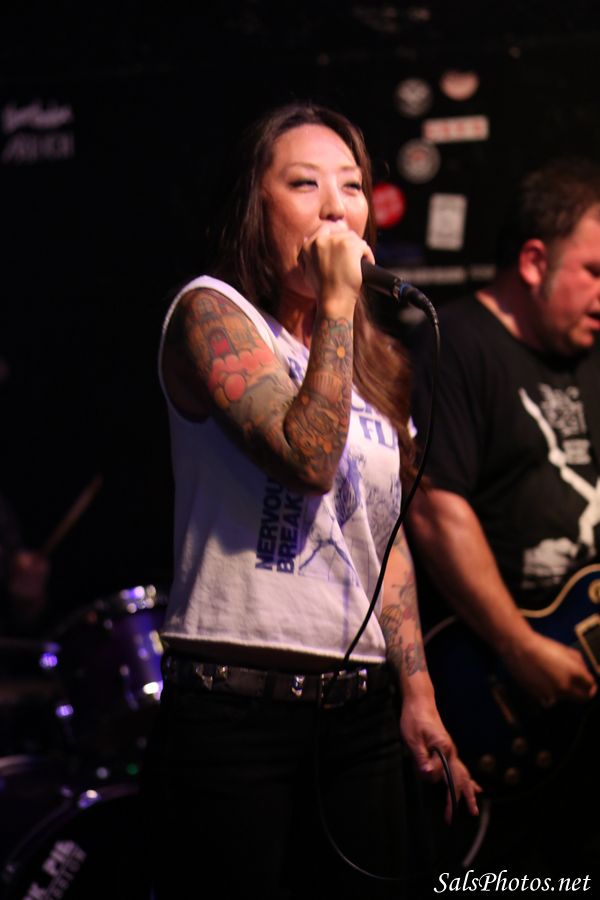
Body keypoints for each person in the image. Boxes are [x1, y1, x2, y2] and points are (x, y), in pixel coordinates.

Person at [141, 101, 479, 899]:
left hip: (359, 713)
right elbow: (307, 458)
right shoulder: (212, 312)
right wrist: (334, 305)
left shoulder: (375, 360)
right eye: (304, 184)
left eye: (352, 186)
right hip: (236, 713)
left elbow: (384, 534)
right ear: (255, 207)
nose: (336, 208)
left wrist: (419, 693)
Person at [408, 157, 600, 878]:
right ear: (533, 261)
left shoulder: (590, 357)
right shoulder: (456, 343)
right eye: (594, 272)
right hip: (495, 684)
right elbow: (435, 507)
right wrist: (518, 646)